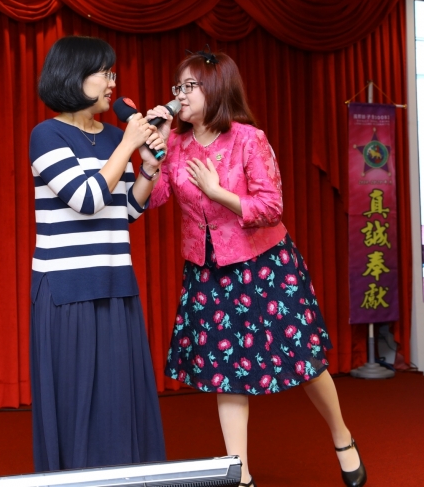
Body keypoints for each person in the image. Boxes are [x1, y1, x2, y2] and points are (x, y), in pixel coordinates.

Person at [145, 49, 367, 487]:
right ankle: (241, 473)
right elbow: (154, 199)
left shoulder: (248, 139)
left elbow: (270, 206)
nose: (180, 96)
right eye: (178, 87)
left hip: (265, 266)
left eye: (190, 86)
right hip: (208, 271)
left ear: (216, 89)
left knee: (305, 361)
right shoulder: (177, 144)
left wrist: (218, 192)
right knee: (226, 371)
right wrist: (152, 156)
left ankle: (341, 435)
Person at [28, 36, 167, 472]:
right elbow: (86, 199)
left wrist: (149, 167)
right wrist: (128, 146)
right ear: (74, 76)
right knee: (76, 403)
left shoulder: (112, 136)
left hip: (115, 283)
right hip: (68, 289)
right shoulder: (46, 135)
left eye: (112, 73)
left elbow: (126, 211)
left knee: (118, 401)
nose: (112, 83)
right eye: (105, 73)